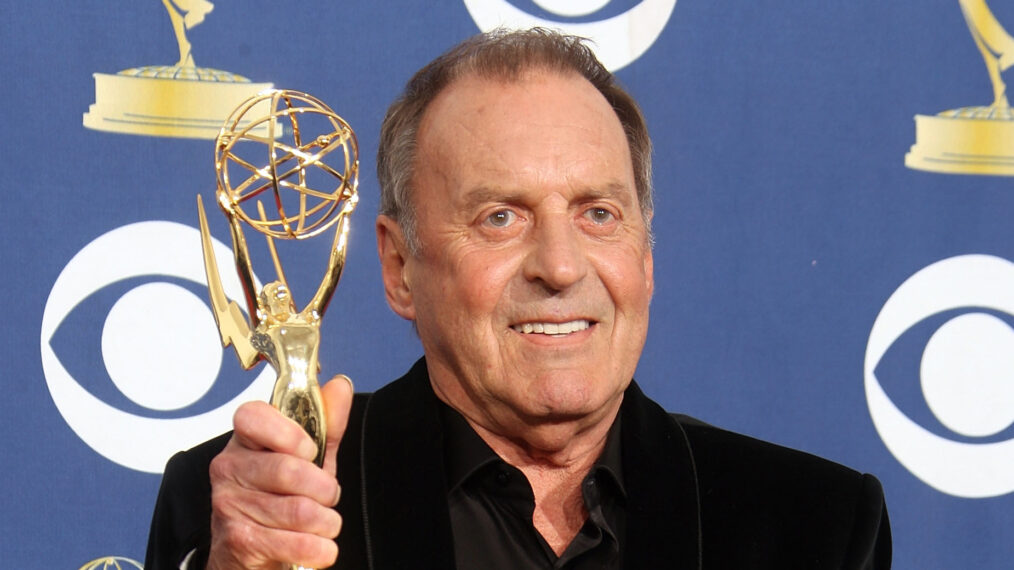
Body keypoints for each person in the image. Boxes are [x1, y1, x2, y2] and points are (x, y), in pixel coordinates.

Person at [144, 28, 892, 569]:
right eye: (500, 217)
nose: (561, 266)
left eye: (599, 213)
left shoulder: (815, 527)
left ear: (646, 253)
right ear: (400, 267)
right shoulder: (256, 512)